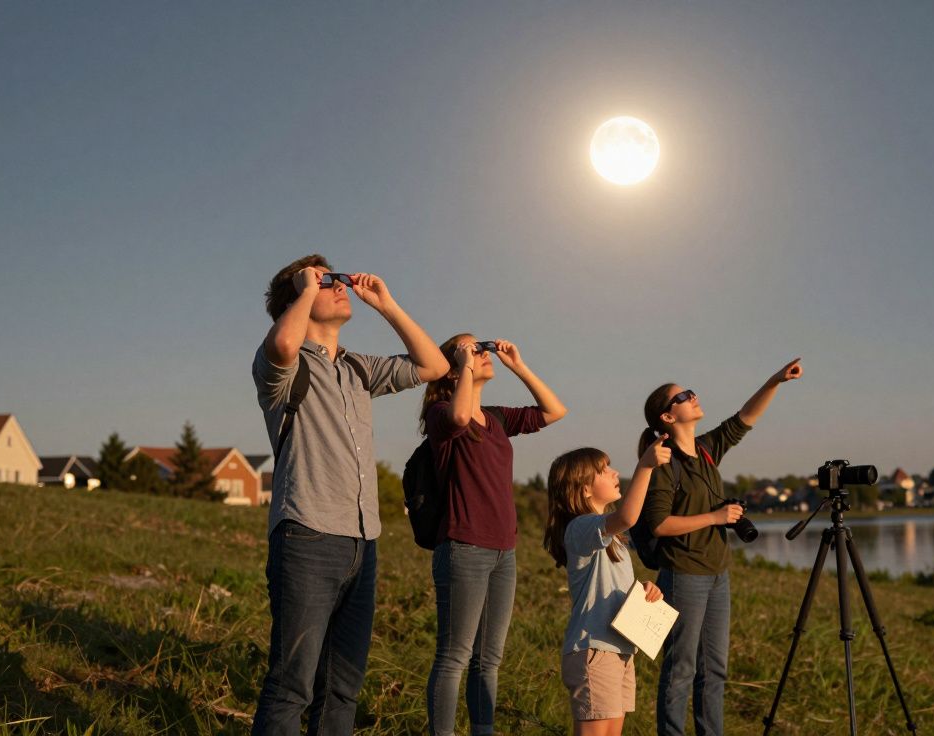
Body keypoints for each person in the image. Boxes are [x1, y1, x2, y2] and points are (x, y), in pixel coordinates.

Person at [250, 255, 449, 735]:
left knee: (342, 690)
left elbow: (434, 364)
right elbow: (282, 341)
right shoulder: (282, 364)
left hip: (364, 543)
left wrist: (385, 304)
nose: (341, 286)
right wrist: (302, 289)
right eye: (327, 281)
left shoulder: (359, 367)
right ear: (297, 297)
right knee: (291, 685)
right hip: (307, 538)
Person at [638, 359, 803, 736]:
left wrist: (775, 380)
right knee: (681, 668)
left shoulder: (707, 449)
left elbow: (745, 418)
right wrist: (715, 518)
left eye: (691, 391)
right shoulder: (662, 462)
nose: (693, 396)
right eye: (683, 396)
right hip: (683, 574)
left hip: (717, 573)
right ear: (667, 416)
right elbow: (659, 524)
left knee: (714, 669)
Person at [422, 334, 567, 736]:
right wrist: (465, 364)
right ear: (451, 368)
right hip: (464, 547)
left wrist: (518, 366)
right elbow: (459, 418)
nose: (481, 354)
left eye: (481, 347)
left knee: (489, 659)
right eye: (471, 349)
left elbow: (554, 411)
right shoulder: (441, 414)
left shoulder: (498, 418)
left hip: (505, 551)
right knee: (454, 656)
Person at [543, 437, 673, 736]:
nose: (615, 473)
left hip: (618, 650)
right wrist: (645, 466)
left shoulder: (610, 538)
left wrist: (643, 592)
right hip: (594, 651)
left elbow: (607, 586)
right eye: (605, 469)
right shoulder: (580, 527)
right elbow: (628, 516)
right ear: (584, 487)